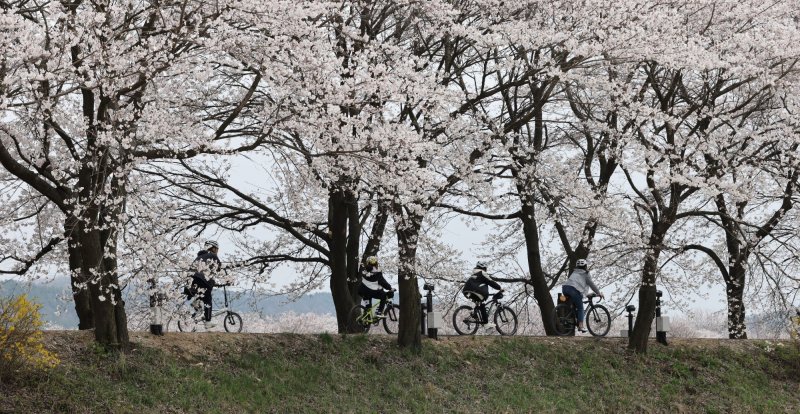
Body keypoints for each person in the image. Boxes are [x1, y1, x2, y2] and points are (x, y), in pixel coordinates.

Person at [186, 240, 222, 329]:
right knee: (208, 299)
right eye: (217, 249)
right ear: (213, 248)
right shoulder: (212, 255)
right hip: (202, 280)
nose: (217, 251)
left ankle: (196, 303)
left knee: (201, 294)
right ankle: (208, 321)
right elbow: (219, 268)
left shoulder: (199, 257)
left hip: (191, 280)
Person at [561, 258, 604, 333]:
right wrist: (598, 293)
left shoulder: (574, 272)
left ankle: (571, 319)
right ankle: (580, 326)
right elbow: (591, 284)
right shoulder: (586, 274)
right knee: (580, 308)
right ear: (585, 266)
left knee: (575, 305)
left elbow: (578, 285)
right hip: (573, 290)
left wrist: (586, 294)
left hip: (565, 288)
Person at [462, 261, 503, 329]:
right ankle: (486, 323)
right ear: (483, 267)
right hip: (476, 291)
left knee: (480, 304)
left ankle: (474, 312)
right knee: (482, 304)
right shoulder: (482, 273)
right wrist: (499, 288)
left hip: (467, 291)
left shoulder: (474, 273)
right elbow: (490, 281)